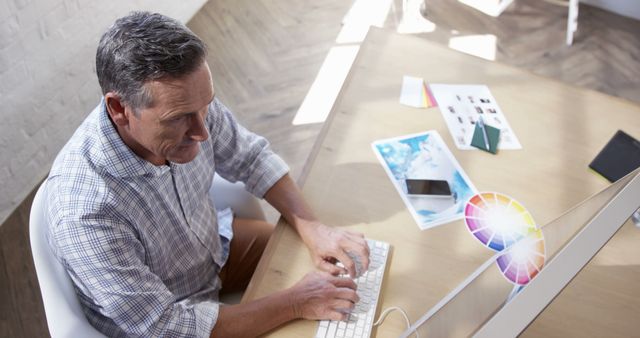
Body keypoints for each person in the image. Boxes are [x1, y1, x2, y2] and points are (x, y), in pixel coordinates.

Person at [46, 11, 370, 337]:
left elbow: (252, 158)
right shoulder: (85, 210)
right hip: (175, 315)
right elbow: (166, 327)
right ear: (119, 109)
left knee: (330, 261)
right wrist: (295, 302)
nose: (202, 132)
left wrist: (314, 229)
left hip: (215, 251)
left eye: (206, 107)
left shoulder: (187, 101)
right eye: (179, 118)